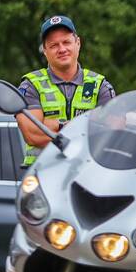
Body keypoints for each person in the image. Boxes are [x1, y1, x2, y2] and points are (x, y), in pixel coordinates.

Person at [17, 15, 114, 167]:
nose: (62, 49)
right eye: (54, 45)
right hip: (41, 174)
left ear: (78, 43)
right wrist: (84, 126)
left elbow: (111, 133)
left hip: (86, 174)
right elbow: (33, 135)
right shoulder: (31, 85)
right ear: (45, 50)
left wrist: (55, 125)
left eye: (66, 42)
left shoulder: (99, 85)